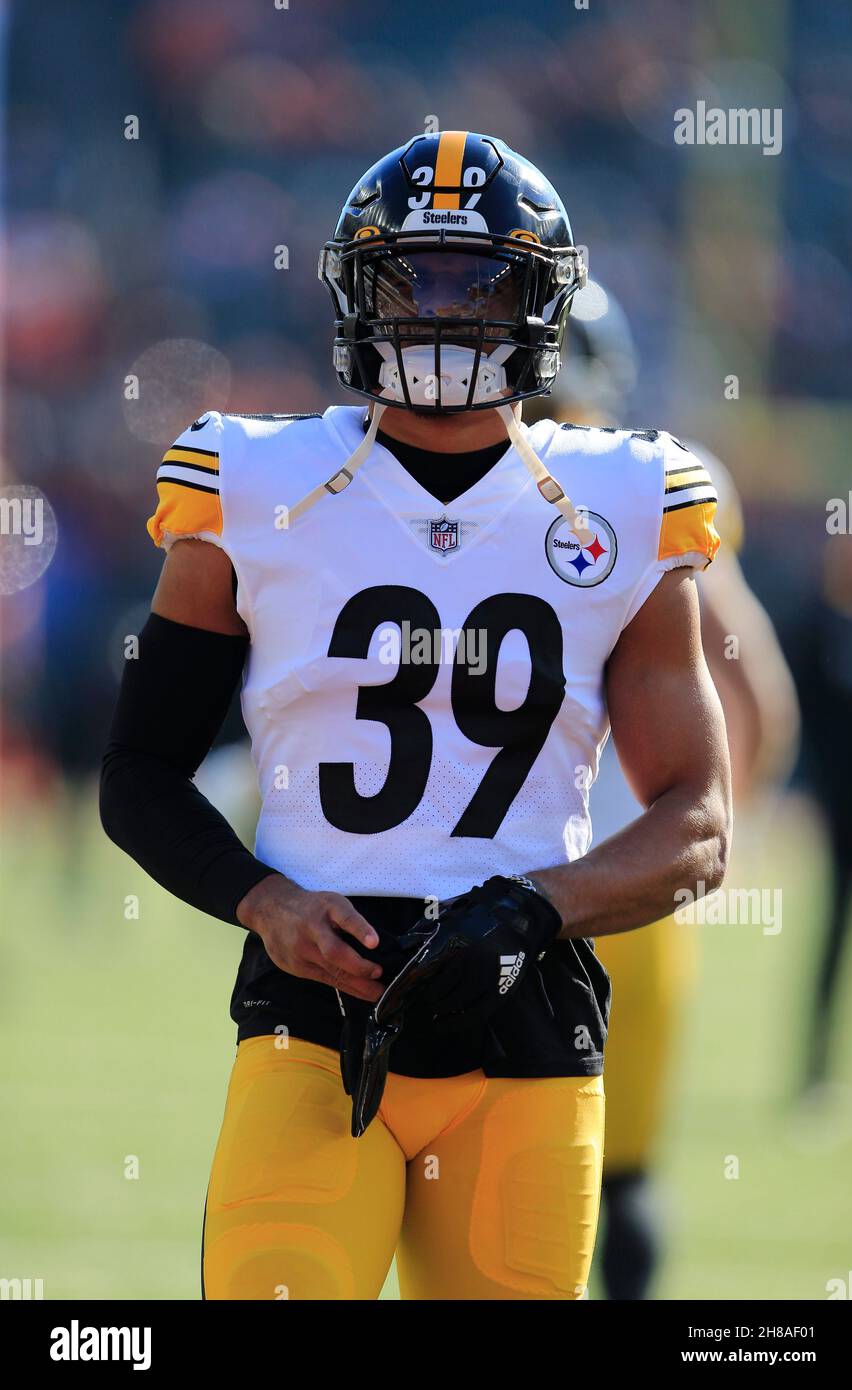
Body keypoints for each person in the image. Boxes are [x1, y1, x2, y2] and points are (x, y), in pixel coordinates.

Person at [100, 131, 731, 1301]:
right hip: (312, 1014)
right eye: (412, 278)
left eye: (478, 280)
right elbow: (138, 770)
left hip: (527, 1023)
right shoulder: (250, 482)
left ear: (540, 303)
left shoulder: (626, 498)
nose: (441, 314)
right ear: (356, 294)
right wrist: (265, 899)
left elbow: (696, 821)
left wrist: (529, 908)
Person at [535, 285, 798, 1298]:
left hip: (470, 876)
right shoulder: (652, 480)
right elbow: (755, 690)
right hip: (628, 883)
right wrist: (713, 829)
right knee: (622, 1171)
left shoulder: (443, 481)